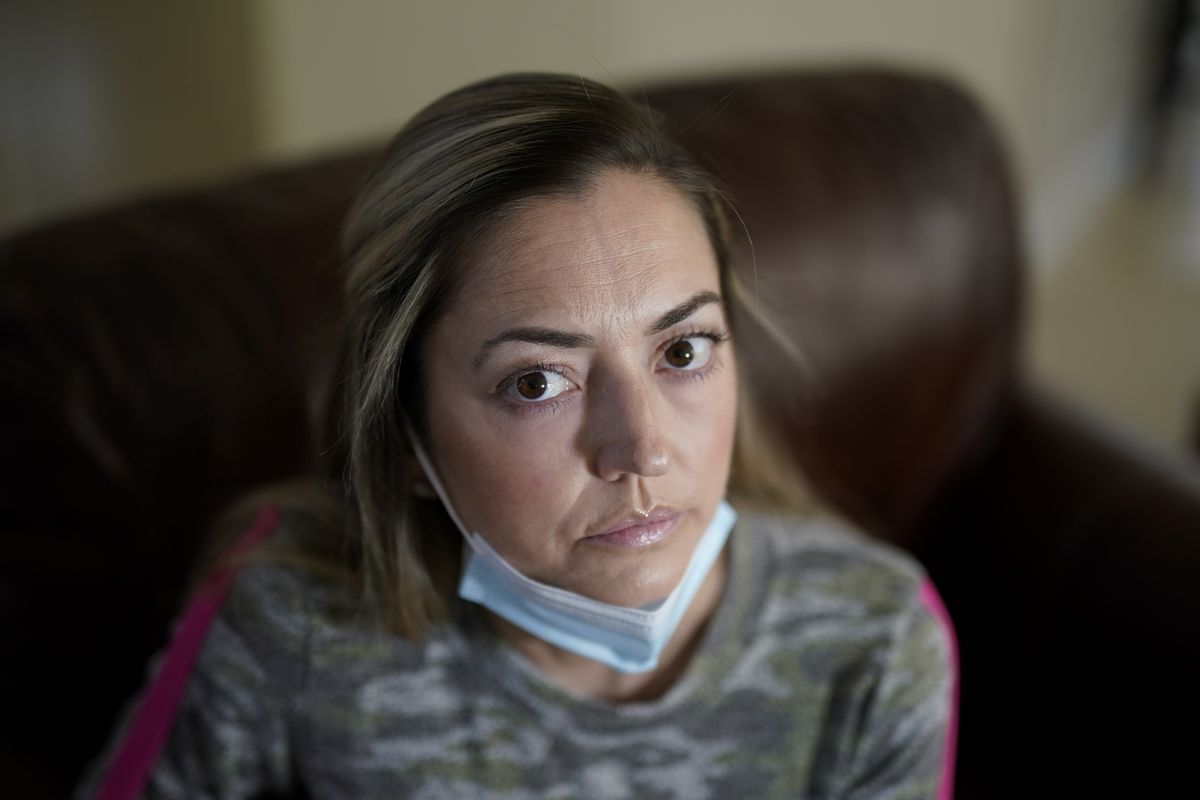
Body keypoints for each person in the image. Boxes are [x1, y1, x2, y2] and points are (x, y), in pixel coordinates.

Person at [80, 72, 958, 799]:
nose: (643, 450)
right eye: (537, 382)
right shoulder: (290, 627)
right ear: (405, 439)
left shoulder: (871, 645)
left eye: (683, 350)